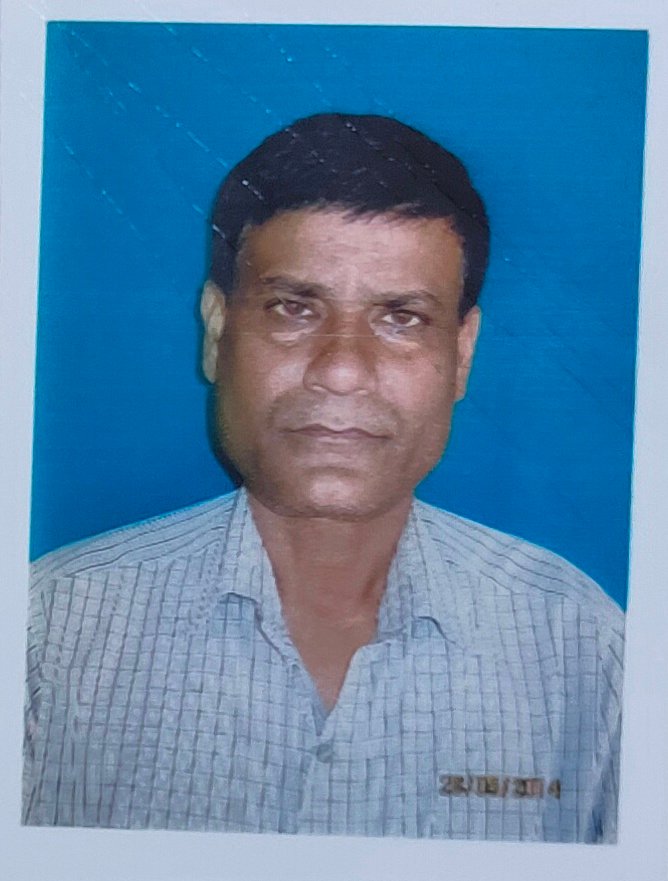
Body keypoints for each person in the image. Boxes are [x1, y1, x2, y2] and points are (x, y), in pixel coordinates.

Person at [22, 113, 623, 842]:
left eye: (401, 318)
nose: (341, 369)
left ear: (462, 355)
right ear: (216, 332)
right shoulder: (48, 633)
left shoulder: (581, 645)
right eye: (294, 308)